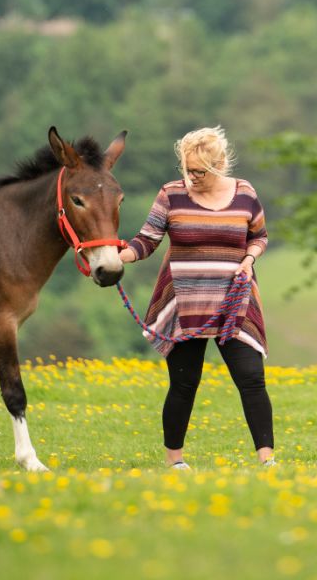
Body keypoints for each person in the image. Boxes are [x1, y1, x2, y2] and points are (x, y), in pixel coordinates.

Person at [119, 126, 275, 469]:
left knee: (251, 378)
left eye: (199, 172)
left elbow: (259, 236)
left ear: (219, 165)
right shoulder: (171, 194)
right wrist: (119, 256)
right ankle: (175, 461)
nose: (191, 178)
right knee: (184, 383)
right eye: (186, 169)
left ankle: (267, 461)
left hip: (234, 303)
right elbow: (146, 240)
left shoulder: (245, 193)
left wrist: (248, 260)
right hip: (185, 304)